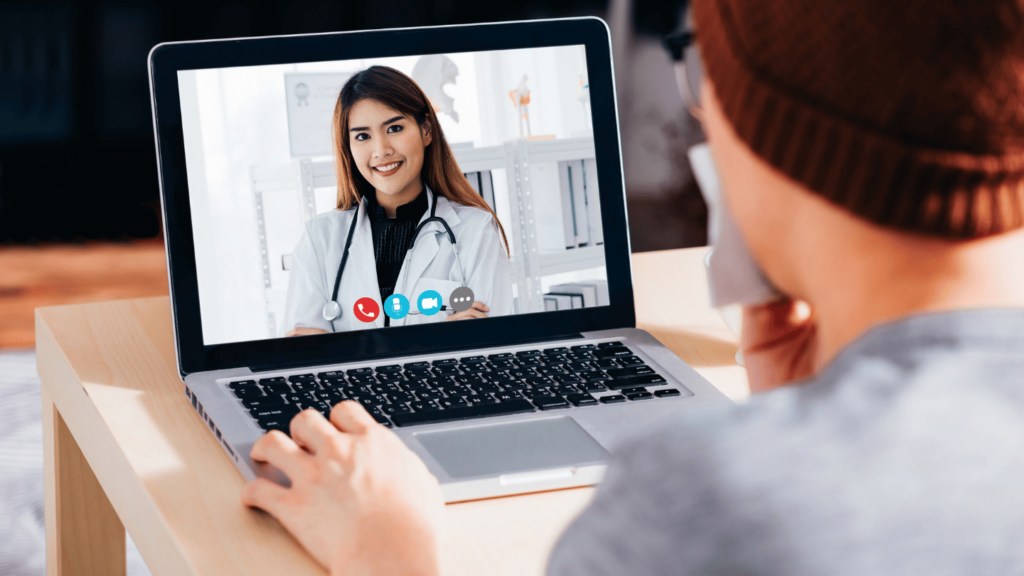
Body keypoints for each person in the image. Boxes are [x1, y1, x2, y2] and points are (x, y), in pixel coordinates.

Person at [241, 1, 1024, 574]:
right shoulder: (323, 235)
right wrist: (813, 419)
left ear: (768, 134)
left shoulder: (699, 505)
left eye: (701, 76)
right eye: (360, 135)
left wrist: (388, 551)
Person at [281, 66, 513, 336]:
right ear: (349, 147)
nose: (381, 150)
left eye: (394, 128)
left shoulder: (476, 231)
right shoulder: (319, 238)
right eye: (362, 136)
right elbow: (304, 351)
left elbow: (486, 347)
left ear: (426, 130)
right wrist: (440, 337)